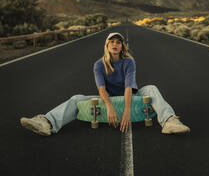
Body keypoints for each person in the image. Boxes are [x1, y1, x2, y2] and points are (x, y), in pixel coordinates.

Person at [20, 32, 190, 136]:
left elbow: (128, 87)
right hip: (108, 97)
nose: (115, 44)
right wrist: (109, 107)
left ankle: (169, 122)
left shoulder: (129, 62)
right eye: (112, 42)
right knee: (76, 98)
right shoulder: (99, 64)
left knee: (151, 88)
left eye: (118, 42)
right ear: (107, 45)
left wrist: (127, 111)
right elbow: (101, 89)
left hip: (132, 95)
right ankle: (47, 122)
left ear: (122, 46)